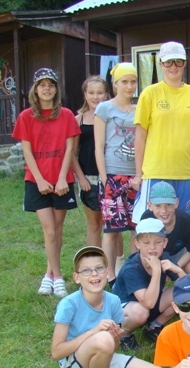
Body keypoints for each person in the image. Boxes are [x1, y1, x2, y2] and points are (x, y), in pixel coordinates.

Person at [51, 246, 164, 368]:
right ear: (77, 277)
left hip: (104, 359)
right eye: (86, 271)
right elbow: (56, 352)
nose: (94, 274)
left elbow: (112, 346)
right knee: (103, 338)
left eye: (99, 268)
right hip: (76, 366)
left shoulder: (113, 300)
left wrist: (116, 338)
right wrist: (94, 332)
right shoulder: (68, 304)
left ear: (107, 272)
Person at [12, 68, 81, 298]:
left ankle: (49, 275)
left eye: (51, 84)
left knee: (57, 230)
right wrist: (40, 180)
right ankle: (58, 277)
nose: (47, 89)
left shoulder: (67, 115)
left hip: (61, 180)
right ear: (35, 89)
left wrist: (62, 178)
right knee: (50, 230)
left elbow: (70, 149)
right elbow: (27, 151)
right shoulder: (25, 117)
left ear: (56, 89)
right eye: (42, 85)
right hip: (37, 181)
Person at [133, 41, 190, 224]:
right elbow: (140, 136)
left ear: (185, 63)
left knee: (186, 225)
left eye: (178, 61)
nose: (173, 66)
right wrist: (138, 174)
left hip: (188, 171)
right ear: (161, 64)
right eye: (168, 62)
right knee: (152, 226)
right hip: (157, 171)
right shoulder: (149, 93)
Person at [94, 63, 139, 286]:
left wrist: (140, 174)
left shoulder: (139, 109)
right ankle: (109, 275)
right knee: (112, 229)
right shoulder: (104, 109)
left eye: (133, 81)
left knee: (135, 227)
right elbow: (99, 145)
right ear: (115, 84)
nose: (129, 86)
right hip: (112, 174)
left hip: (135, 177)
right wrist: (104, 178)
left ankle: (132, 271)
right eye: (124, 82)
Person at [112, 218, 186, 351]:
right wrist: (157, 270)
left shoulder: (165, 257)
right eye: (146, 242)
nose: (152, 247)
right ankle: (124, 335)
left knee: (182, 293)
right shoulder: (131, 268)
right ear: (137, 244)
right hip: (126, 310)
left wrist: (178, 270)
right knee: (140, 312)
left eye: (158, 242)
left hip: (150, 302)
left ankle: (154, 326)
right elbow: (148, 303)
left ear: (165, 243)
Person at [72, 75, 109, 247]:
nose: (96, 97)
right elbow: (72, 153)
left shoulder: (112, 116)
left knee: (111, 224)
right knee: (94, 223)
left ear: (106, 94)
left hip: (110, 173)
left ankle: (117, 259)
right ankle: (93, 258)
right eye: (91, 93)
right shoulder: (78, 120)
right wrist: (81, 178)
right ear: (85, 94)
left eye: (100, 93)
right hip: (88, 176)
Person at [141, 181, 190, 275]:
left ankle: (187, 283)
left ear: (176, 203)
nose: (163, 210)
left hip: (179, 253)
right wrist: (156, 267)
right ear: (150, 206)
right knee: (144, 271)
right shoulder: (146, 219)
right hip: (153, 252)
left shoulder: (185, 220)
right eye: (158, 206)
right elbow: (143, 247)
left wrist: (175, 267)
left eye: (168, 204)